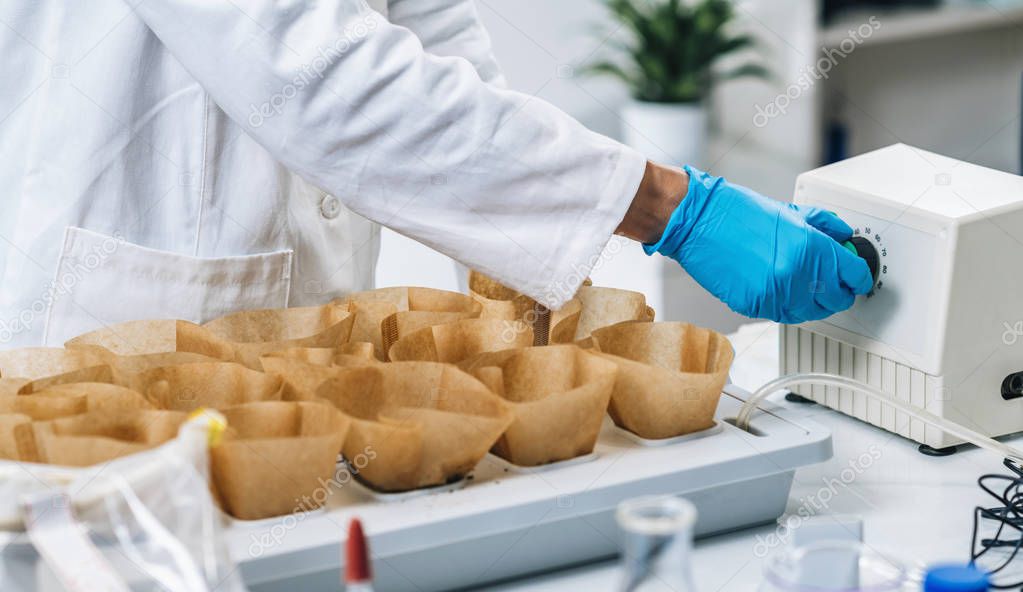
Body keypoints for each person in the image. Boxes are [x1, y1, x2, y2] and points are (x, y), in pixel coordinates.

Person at [0, 0, 872, 349]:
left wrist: (521, 287)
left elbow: (429, 39)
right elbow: (312, 73)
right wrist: (667, 206)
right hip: (110, 300)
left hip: (293, 308)